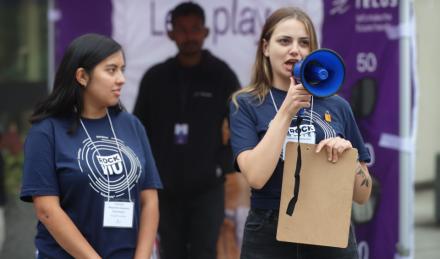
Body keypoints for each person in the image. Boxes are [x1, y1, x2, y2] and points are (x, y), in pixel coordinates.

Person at [229, 7, 372, 259]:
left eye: (304, 43)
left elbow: (362, 194)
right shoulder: (246, 104)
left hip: (328, 225)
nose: (295, 50)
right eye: (284, 41)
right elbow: (256, 177)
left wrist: (348, 158)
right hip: (268, 231)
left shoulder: (338, 106)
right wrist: (286, 111)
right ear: (265, 47)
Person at [20, 33, 162, 259]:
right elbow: (47, 210)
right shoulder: (46, 131)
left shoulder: (131, 125)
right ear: (82, 76)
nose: (121, 79)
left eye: (122, 70)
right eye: (111, 70)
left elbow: (149, 199)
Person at [133, 2, 240, 259]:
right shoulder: (155, 78)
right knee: (171, 252)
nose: (189, 36)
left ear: (205, 31)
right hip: (164, 188)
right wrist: (148, 170)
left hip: (207, 188)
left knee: (205, 252)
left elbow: (241, 123)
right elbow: (138, 128)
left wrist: (222, 163)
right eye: (182, 30)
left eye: (194, 29)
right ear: (171, 33)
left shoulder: (221, 75)